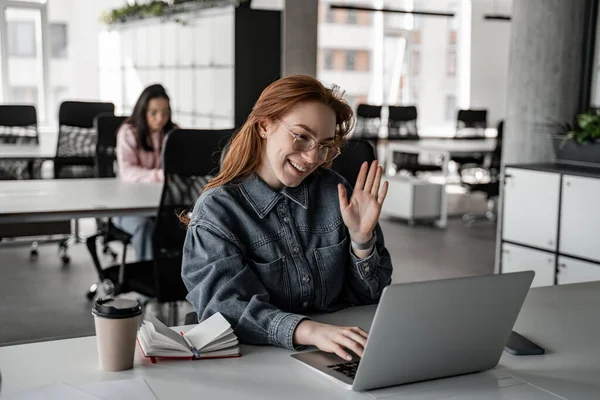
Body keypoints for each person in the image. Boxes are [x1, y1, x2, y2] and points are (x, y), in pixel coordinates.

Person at [181, 75, 393, 362]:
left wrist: (361, 241)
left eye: (324, 145)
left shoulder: (336, 192)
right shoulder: (218, 212)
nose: (311, 157)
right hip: (255, 365)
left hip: (334, 354)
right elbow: (225, 309)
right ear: (264, 125)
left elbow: (369, 297)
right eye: (301, 136)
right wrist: (310, 331)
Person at [115, 83, 176, 261]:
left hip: (159, 204)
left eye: (165, 112)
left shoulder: (172, 133)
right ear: (143, 111)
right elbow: (127, 172)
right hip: (128, 206)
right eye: (154, 113)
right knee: (144, 228)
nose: (160, 118)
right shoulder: (128, 132)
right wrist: (159, 175)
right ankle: (150, 278)